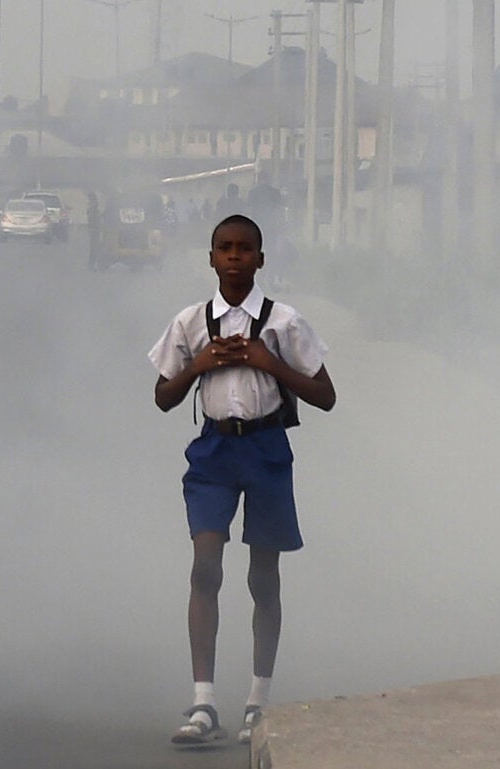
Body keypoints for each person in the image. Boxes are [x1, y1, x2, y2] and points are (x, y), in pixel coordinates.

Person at [148, 214, 337, 746]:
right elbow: (163, 397)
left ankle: (258, 701)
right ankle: (203, 702)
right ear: (211, 258)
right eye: (225, 248)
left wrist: (268, 363)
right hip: (214, 450)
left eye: (244, 249)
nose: (234, 257)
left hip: (266, 448)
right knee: (205, 567)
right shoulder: (191, 322)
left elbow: (325, 395)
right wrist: (199, 365)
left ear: (260, 258)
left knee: (263, 576)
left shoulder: (283, 323)